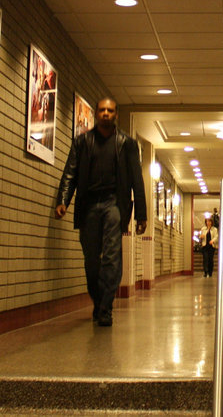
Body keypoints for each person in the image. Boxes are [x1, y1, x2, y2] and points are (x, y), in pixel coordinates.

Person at [54, 97, 147, 326]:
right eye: (103, 110)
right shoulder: (82, 142)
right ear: (96, 113)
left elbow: (137, 179)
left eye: (111, 110)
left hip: (114, 204)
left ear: (116, 114)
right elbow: (70, 173)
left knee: (112, 257)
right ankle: (98, 301)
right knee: (91, 261)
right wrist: (63, 200)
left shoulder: (127, 143)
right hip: (88, 206)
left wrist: (141, 214)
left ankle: (105, 308)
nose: (106, 113)